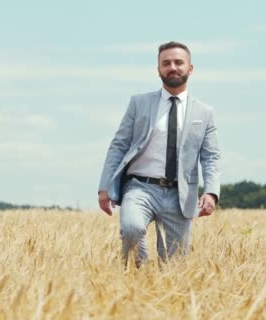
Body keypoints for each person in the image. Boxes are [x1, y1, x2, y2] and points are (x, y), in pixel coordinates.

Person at [97, 41, 221, 267]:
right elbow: (119, 145)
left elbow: (211, 156)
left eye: (178, 62)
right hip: (139, 187)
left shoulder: (205, 112)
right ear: (158, 70)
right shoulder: (139, 103)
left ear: (190, 69)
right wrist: (104, 188)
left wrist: (212, 192)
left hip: (180, 194)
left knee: (174, 267)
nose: (172, 67)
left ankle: (161, 295)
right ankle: (140, 275)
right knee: (132, 229)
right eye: (166, 63)